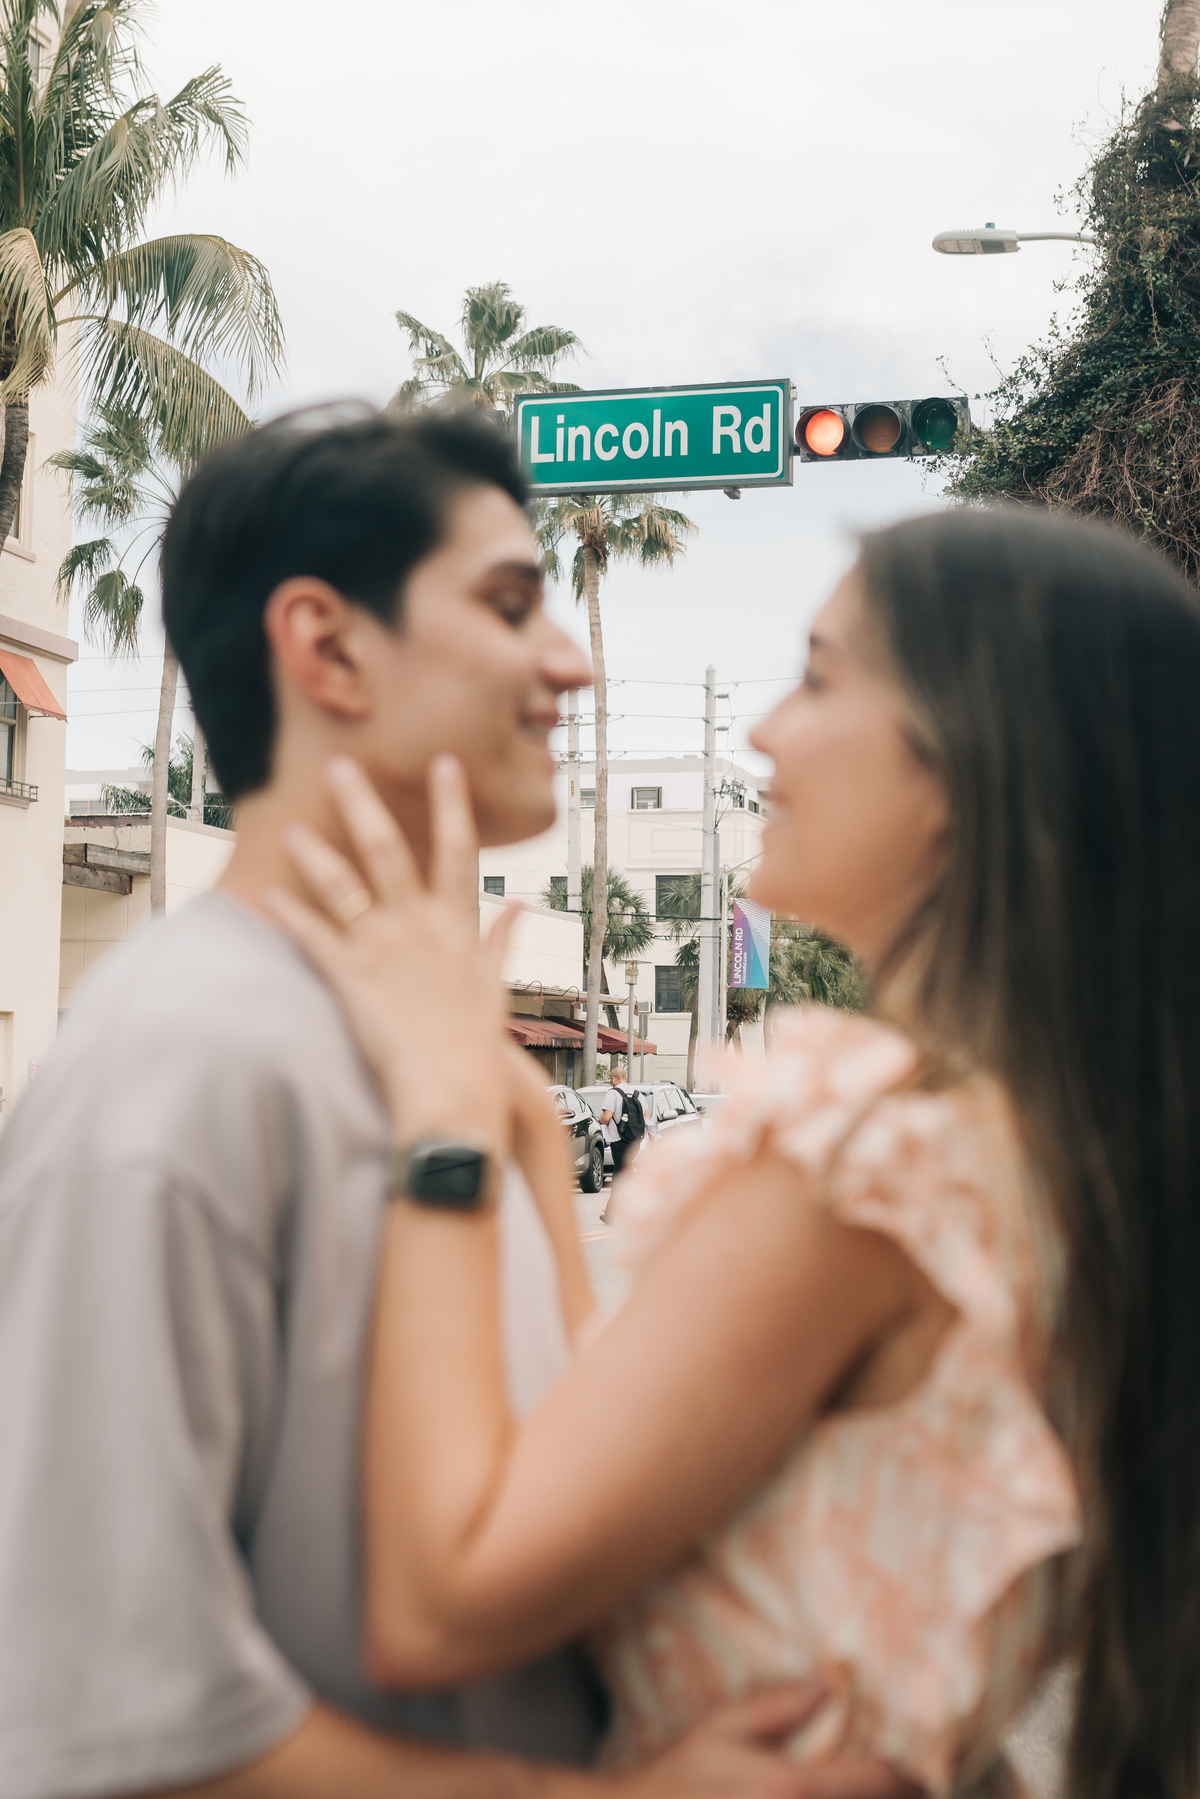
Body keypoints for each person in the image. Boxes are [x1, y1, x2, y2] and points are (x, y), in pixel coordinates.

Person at [0, 408, 908, 1799]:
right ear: (329, 645)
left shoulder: (459, 1074)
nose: (575, 661)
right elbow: (107, 1717)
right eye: (507, 603)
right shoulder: (180, 1067)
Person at [270, 505, 1200, 1799]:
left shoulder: (872, 1166)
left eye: (819, 676)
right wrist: (534, 1149)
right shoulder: (1049, 1149)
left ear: (965, 766)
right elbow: (675, 1441)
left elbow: (438, 1598)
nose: (762, 729)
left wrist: (440, 1128)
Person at [598, 1067, 635, 1179]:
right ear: (625, 1078)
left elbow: (607, 1118)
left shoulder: (612, 1094)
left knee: (620, 1169)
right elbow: (646, 1118)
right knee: (624, 1168)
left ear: (613, 1079)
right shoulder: (637, 1093)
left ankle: (618, 1196)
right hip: (634, 1139)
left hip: (618, 1139)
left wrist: (600, 1119)